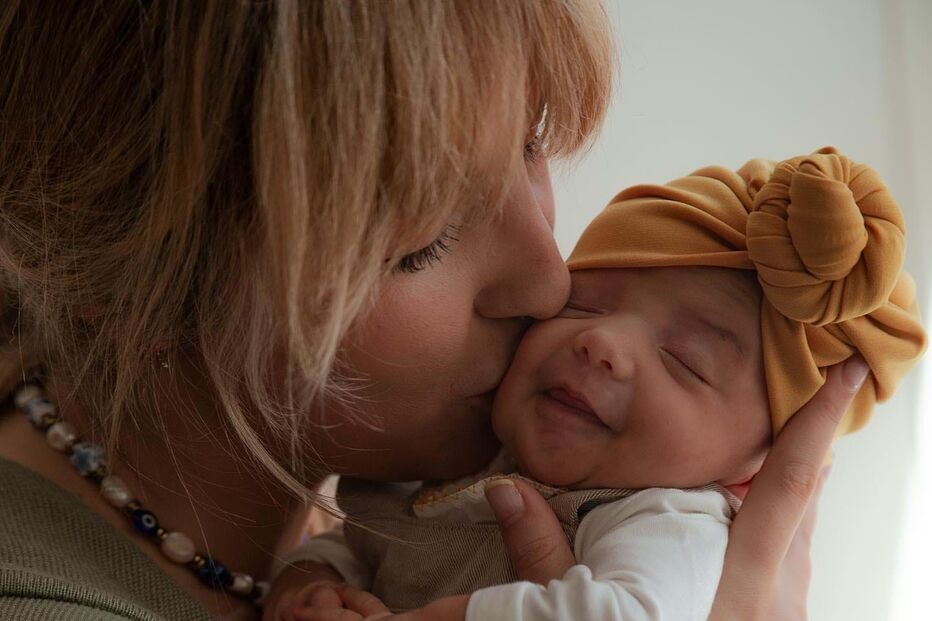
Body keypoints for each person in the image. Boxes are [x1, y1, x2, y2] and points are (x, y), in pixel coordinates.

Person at [0, 2, 871, 620]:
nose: (551, 283)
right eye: (422, 241)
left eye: (529, 141)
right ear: (131, 278)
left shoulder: (387, 513)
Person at [270, 149, 926, 621]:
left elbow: (626, 611)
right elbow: (371, 541)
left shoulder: (667, 520)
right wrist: (314, 577)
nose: (601, 342)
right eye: (582, 304)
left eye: (686, 360)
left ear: (753, 469)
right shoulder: (469, 457)